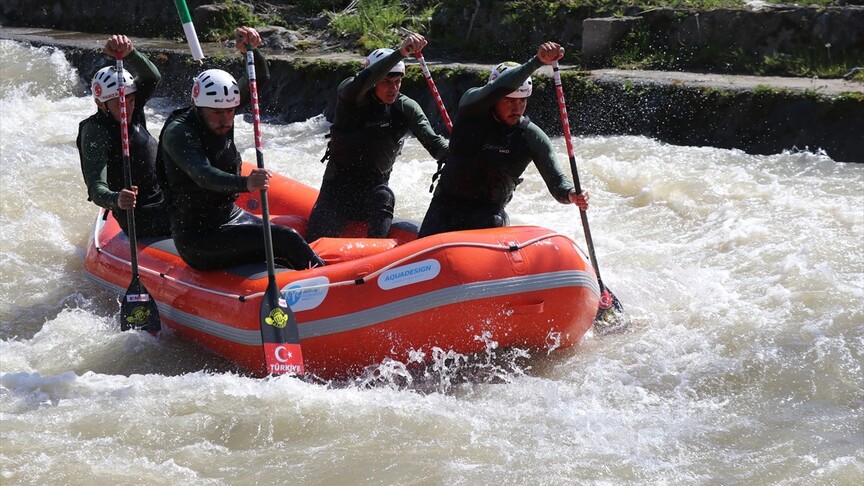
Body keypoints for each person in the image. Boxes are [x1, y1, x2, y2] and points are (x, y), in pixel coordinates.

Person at [157, 27, 324, 271]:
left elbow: (260, 78)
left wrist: (251, 51)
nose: (225, 119)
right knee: (286, 238)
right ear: (197, 106)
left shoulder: (225, 106)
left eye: (230, 111)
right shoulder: (179, 133)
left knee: (290, 243)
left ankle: (319, 278)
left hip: (229, 217)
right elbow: (204, 175)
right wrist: (246, 184)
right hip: (199, 238)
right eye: (216, 113)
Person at [418, 42, 589, 238]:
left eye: (522, 101)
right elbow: (499, 87)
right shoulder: (471, 110)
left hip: (489, 216)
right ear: (495, 98)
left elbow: (557, 181)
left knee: (493, 220)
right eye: (509, 101)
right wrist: (537, 62)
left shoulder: (532, 137)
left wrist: (571, 194)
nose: (517, 109)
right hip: (445, 210)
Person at [305, 33, 449, 242]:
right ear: (373, 82)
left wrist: (458, 156)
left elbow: (434, 143)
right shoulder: (350, 96)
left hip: (373, 192)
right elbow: (360, 83)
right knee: (313, 243)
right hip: (337, 190)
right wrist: (401, 53)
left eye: (397, 81)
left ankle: (375, 255)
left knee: (385, 195)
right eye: (386, 82)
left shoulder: (405, 107)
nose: (393, 88)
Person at [77, 34, 170, 238]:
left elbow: (152, 77)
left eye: (130, 99)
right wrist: (117, 199)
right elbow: (96, 188)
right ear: (100, 104)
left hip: (163, 198)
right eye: (118, 102)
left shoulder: (133, 107)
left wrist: (130, 54)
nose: (126, 106)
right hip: (138, 214)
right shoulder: (95, 131)